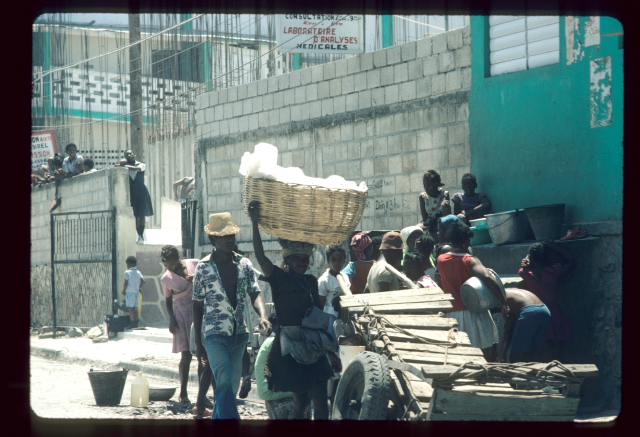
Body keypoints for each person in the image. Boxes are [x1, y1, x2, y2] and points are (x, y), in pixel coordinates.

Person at [248, 200, 336, 420]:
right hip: (290, 346)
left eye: (305, 259)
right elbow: (260, 256)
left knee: (320, 401)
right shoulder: (278, 278)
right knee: (302, 402)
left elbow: (317, 310)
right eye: (296, 259)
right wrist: (255, 222)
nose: (302, 262)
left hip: (312, 344)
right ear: (286, 261)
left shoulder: (311, 281)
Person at [192, 212, 270, 420]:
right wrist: (199, 344)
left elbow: (255, 292)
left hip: (239, 335)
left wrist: (263, 315)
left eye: (231, 236)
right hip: (214, 334)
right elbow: (197, 306)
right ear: (213, 240)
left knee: (230, 388)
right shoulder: (203, 268)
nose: (229, 240)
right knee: (224, 380)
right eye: (224, 236)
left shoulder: (244, 264)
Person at [437, 222, 508, 361]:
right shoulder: (469, 260)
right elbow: (488, 278)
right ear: (467, 241)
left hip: (452, 314)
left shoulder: (441, 259)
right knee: (483, 355)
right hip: (473, 313)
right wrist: (504, 302)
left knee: (459, 356)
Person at [518, 240, 576, 362]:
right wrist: (557, 248)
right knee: (558, 353)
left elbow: (522, 271)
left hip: (538, 314)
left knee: (542, 353)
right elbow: (572, 261)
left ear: (530, 257)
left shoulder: (526, 273)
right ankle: (559, 377)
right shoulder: (553, 271)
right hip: (555, 314)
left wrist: (525, 264)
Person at [160, 245, 199, 404]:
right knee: (186, 355)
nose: (169, 268)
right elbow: (168, 301)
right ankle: (183, 392)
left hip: (199, 311)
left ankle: (203, 395)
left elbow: (208, 281)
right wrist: (171, 319)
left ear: (178, 258)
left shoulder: (194, 264)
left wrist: (195, 279)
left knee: (204, 355)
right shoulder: (166, 278)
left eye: (172, 264)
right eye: (166, 266)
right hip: (182, 315)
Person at [255, 312, 311, 419]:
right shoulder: (277, 341)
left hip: (266, 389)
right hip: (268, 391)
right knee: (306, 391)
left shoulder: (271, 340)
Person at [496, 288, 551, 363]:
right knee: (535, 351)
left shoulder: (499, 298)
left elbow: (508, 330)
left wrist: (501, 355)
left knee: (517, 355)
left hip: (530, 312)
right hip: (545, 310)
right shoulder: (512, 291)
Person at [117, 150, 154, 244]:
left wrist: (124, 165)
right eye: (127, 155)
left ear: (134, 154)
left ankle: (141, 236)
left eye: (131, 153)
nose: (129, 155)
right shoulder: (124, 166)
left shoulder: (141, 164)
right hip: (131, 191)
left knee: (141, 214)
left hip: (141, 190)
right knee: (134, 215)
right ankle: (134, 235)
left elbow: (135, 169)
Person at [318, 245, 351, 317]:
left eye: (340, 259)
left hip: (345, 316)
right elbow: (320, 306)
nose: (337, 263)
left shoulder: (345, 277)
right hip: (330, 317)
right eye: (333, 259)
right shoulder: (324, 280)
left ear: (344, 260)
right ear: (328, 261)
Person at [121, 256, 144, 330]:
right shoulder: (138, 272)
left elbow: (125, 283)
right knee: (136, 308)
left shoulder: (127, 272)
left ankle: (132, 323)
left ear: (128, 264)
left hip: (130, 292)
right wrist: (139, 287)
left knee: (130, 308)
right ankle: (136, 323)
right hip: (136, 292)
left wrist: (124, 290)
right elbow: (143, 281)